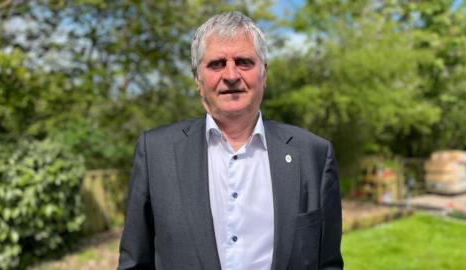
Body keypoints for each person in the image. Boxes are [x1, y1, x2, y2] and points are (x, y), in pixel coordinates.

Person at [117, 11, 343, 270]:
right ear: (198, 80)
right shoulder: (156, 153)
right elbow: (134, 263)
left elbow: (328, 264)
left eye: (244, 62)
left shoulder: (313, 154)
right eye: (216, 64)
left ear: (264, 74)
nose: (231, 75)